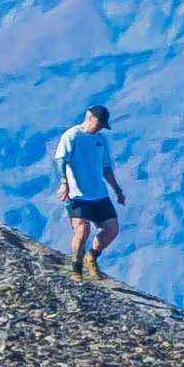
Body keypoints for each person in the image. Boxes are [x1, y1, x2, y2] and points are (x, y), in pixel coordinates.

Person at [52, 103, 127, 280]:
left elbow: (106, 168)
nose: (99, 128)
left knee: (111, 228)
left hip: (98, 194)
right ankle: (76, 270)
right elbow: (60, 160)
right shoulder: (72, 136)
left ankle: (91, 257)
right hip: (78, 194)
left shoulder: (101, 140)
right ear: (89, 117)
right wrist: (64, 182)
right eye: (98, 124)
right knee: (82, 229)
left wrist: (117, 190)